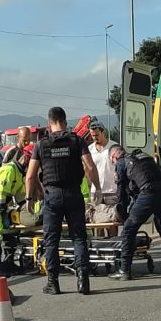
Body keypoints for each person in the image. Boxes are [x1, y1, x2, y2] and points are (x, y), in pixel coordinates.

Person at [25, 106, 101, 296]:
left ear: (49, 124)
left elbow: (30, 176)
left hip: (52, 197)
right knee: (79, 238)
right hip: (74, 194)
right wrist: (97, 188)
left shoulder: (41, 145)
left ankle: (53, 283)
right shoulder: (77, 140)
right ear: (65, 122)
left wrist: (29, 198)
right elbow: (90, 166)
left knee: (51, 240)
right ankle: (83, 282)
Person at [107, 146, 161, 280]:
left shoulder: (122, 162)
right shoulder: (144, 157)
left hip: (147, 195)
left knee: (128, 230)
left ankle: (124, 270)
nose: (113, 163)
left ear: (115, 156)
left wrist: (123, 212)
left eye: (112, 161)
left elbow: (122, 191)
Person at [0, 143, 31, 275]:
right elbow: (0, 193)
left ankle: (8, 263)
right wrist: (2, 210)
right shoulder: (9, 170)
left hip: (3, 204)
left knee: (10, 232)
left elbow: (20, 197)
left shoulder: (20, 174)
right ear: (26, 158)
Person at [87, 118, 118, 208]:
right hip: (95, 192)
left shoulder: (114, 147)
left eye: (97, 135)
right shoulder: (89, 149)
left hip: (112, 191)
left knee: (114, 217)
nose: (94, 138)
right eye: (92, 136)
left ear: (103, 132)